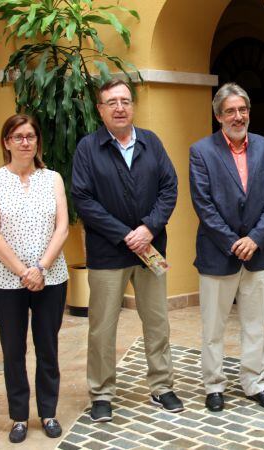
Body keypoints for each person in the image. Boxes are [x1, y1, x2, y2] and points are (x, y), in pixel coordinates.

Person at [71, 78, 181, 422]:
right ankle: (101, 393)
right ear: (100, 110)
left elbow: (169, 187)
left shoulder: (152, 142)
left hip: (150, 249)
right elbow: (83, 199)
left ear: (132, 106)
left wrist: (148, 228)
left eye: (125, 101)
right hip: (108, 254)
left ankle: (162, 386)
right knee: (102, 327)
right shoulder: (88, 148)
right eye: (111, 102)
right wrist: (125, 235)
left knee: (157, 322)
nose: (120, 107)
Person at [189, 83, 264, 411]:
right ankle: (214, 385)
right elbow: (203, 204)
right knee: (213, 327)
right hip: (218, 254)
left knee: (256, 325)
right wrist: (233, 242)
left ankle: (255, 383)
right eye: (230, 111)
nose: (237, 116)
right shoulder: (201, 151)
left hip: (257, 254)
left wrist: (254, 238)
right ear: (218, 116)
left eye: (242, 110)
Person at [0, 114, 69, 443]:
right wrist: (23, 271)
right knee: (13, 350)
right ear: (6, 142)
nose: (25, 142)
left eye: (30, 136)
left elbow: (62, 227)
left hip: (51, 277)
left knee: (48, 347)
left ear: (37, 142)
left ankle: (48, 412)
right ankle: (19, 416)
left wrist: (41, 268)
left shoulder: (53, 179)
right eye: (17, 137)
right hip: (6, 281)